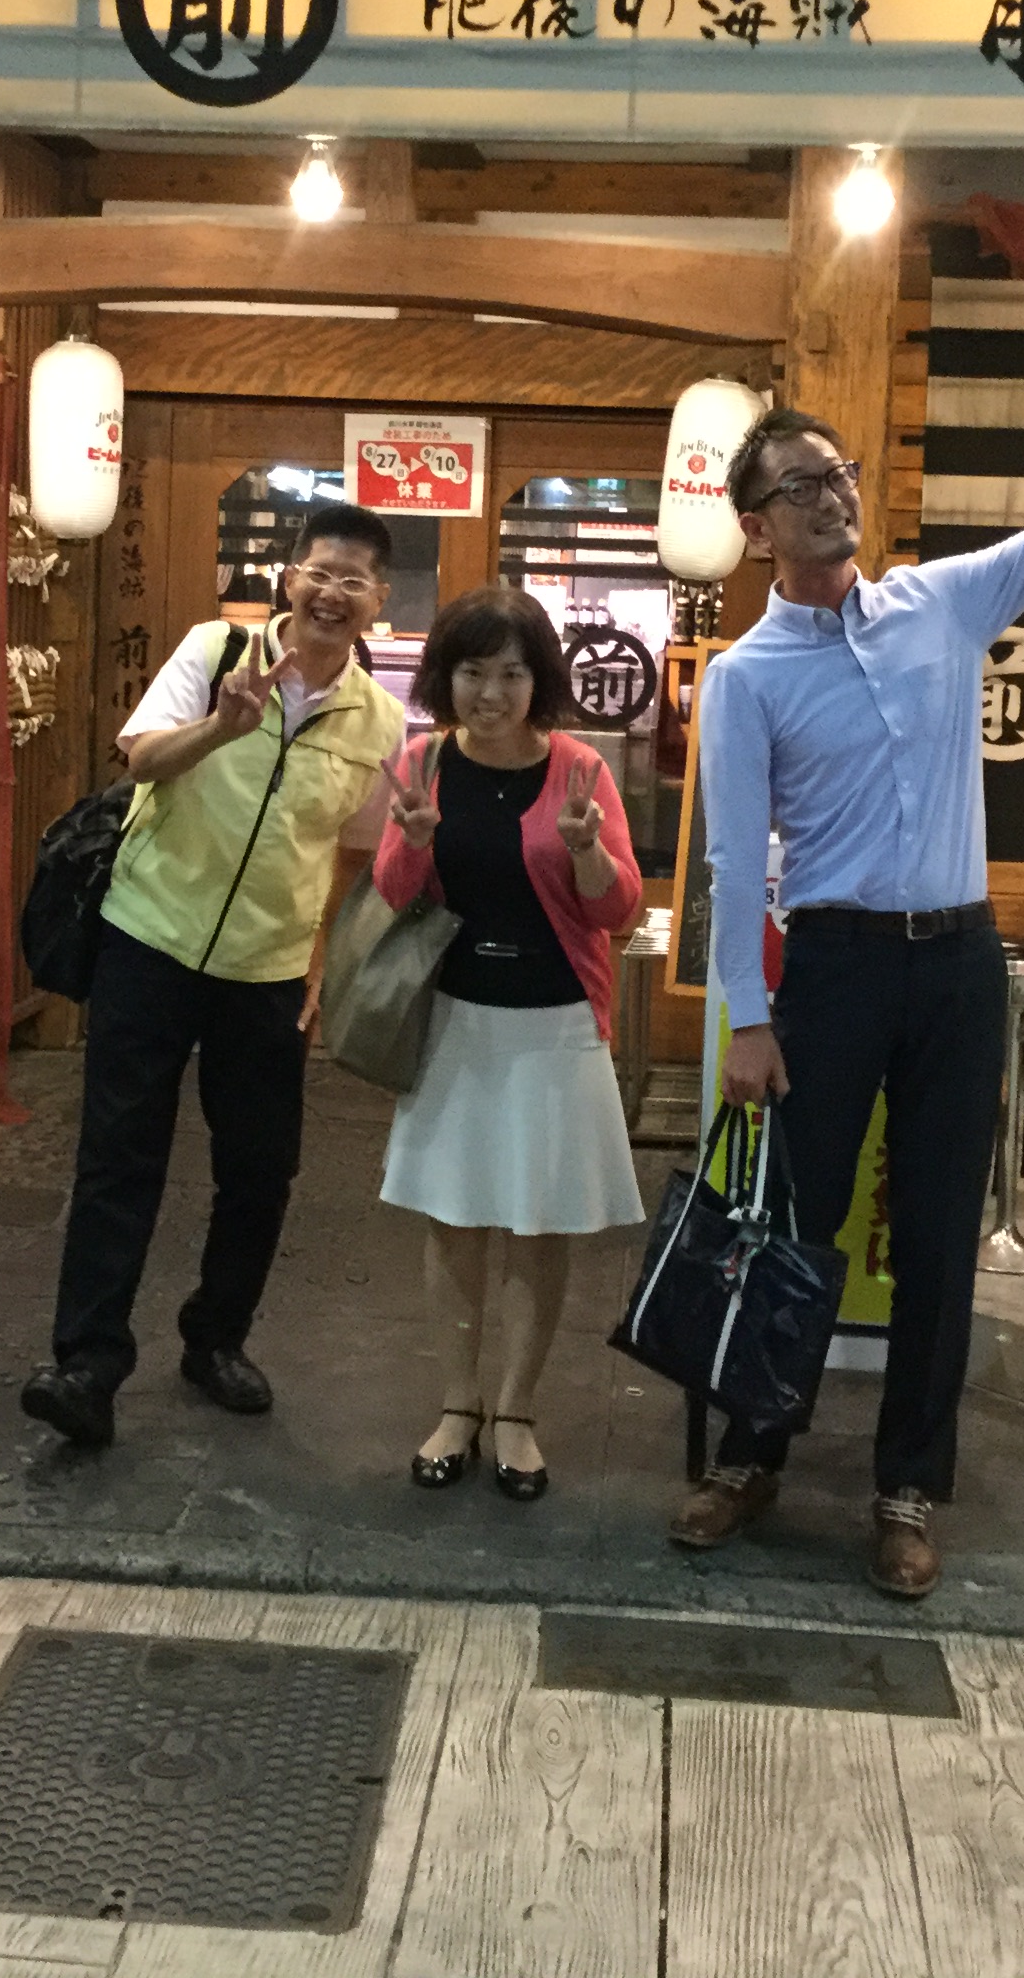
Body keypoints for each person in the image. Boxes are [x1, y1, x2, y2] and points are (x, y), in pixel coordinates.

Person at [672, 273, 1024, 1597]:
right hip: (833, 968)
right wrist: (747, 1019)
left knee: (941, 1232)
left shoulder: (942, 604)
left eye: (837, 474)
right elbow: (732, 859)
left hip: (957, 961)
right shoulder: (747, 679)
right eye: (798, 486)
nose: (829, 496)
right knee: (793, 1226)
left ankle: (906, 1488)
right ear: (754, 526)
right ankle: (752, 1454)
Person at [22, 503, 410, 1450]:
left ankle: (216, 1339)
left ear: (378, 601)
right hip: (148, 938)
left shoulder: (380, 719)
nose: (332, 593)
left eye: (354, 581)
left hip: (265, 969)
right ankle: (87, 1364)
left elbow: (352, 852)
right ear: (289, 578)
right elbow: (141, 757)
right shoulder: (213, 652)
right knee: (120, 1157)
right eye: (319, 572)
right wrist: (222, 728)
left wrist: (319, 960)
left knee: (260, 1169)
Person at [372, 588, 646, 1502]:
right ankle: (459, 1405)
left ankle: (517, 1412)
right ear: (445, 677)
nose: (491, 692)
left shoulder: (579, 770)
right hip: (456, 1019)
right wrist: (414, 841)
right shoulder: (423, 763)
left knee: (537, 1223)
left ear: (540, 681)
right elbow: (392, 892)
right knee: (454, 1220)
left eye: (512, 674)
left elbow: (618, 909)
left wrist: (586, 851)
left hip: (556, 1024)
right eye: (473, 672)